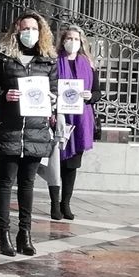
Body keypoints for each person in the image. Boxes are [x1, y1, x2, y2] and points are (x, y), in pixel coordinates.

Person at [0, 11, 59, 256]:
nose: (30, 33)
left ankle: (24, 233)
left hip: (36, 129)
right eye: (25, 28)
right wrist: (4, 95)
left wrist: (52, 99)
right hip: (9, 127)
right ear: (17, 30)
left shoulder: (47, 60)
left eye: (34, 29)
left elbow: (55, 91)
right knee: (6, 181)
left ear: (41, 32)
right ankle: (3, 233)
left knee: (28, 184)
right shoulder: (3, 58)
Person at [51, 25, 101, 221]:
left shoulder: (88, 64)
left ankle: (66, 203)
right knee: (56, 163)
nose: (73, 42)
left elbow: (98, 92)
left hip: (80, 121)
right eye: (69, 38)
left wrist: (90, 96)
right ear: (63, 40)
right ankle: (55, 204)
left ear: (82, 42)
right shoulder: (54, 62)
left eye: (76, 39)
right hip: (60, 117)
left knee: (71, 166)